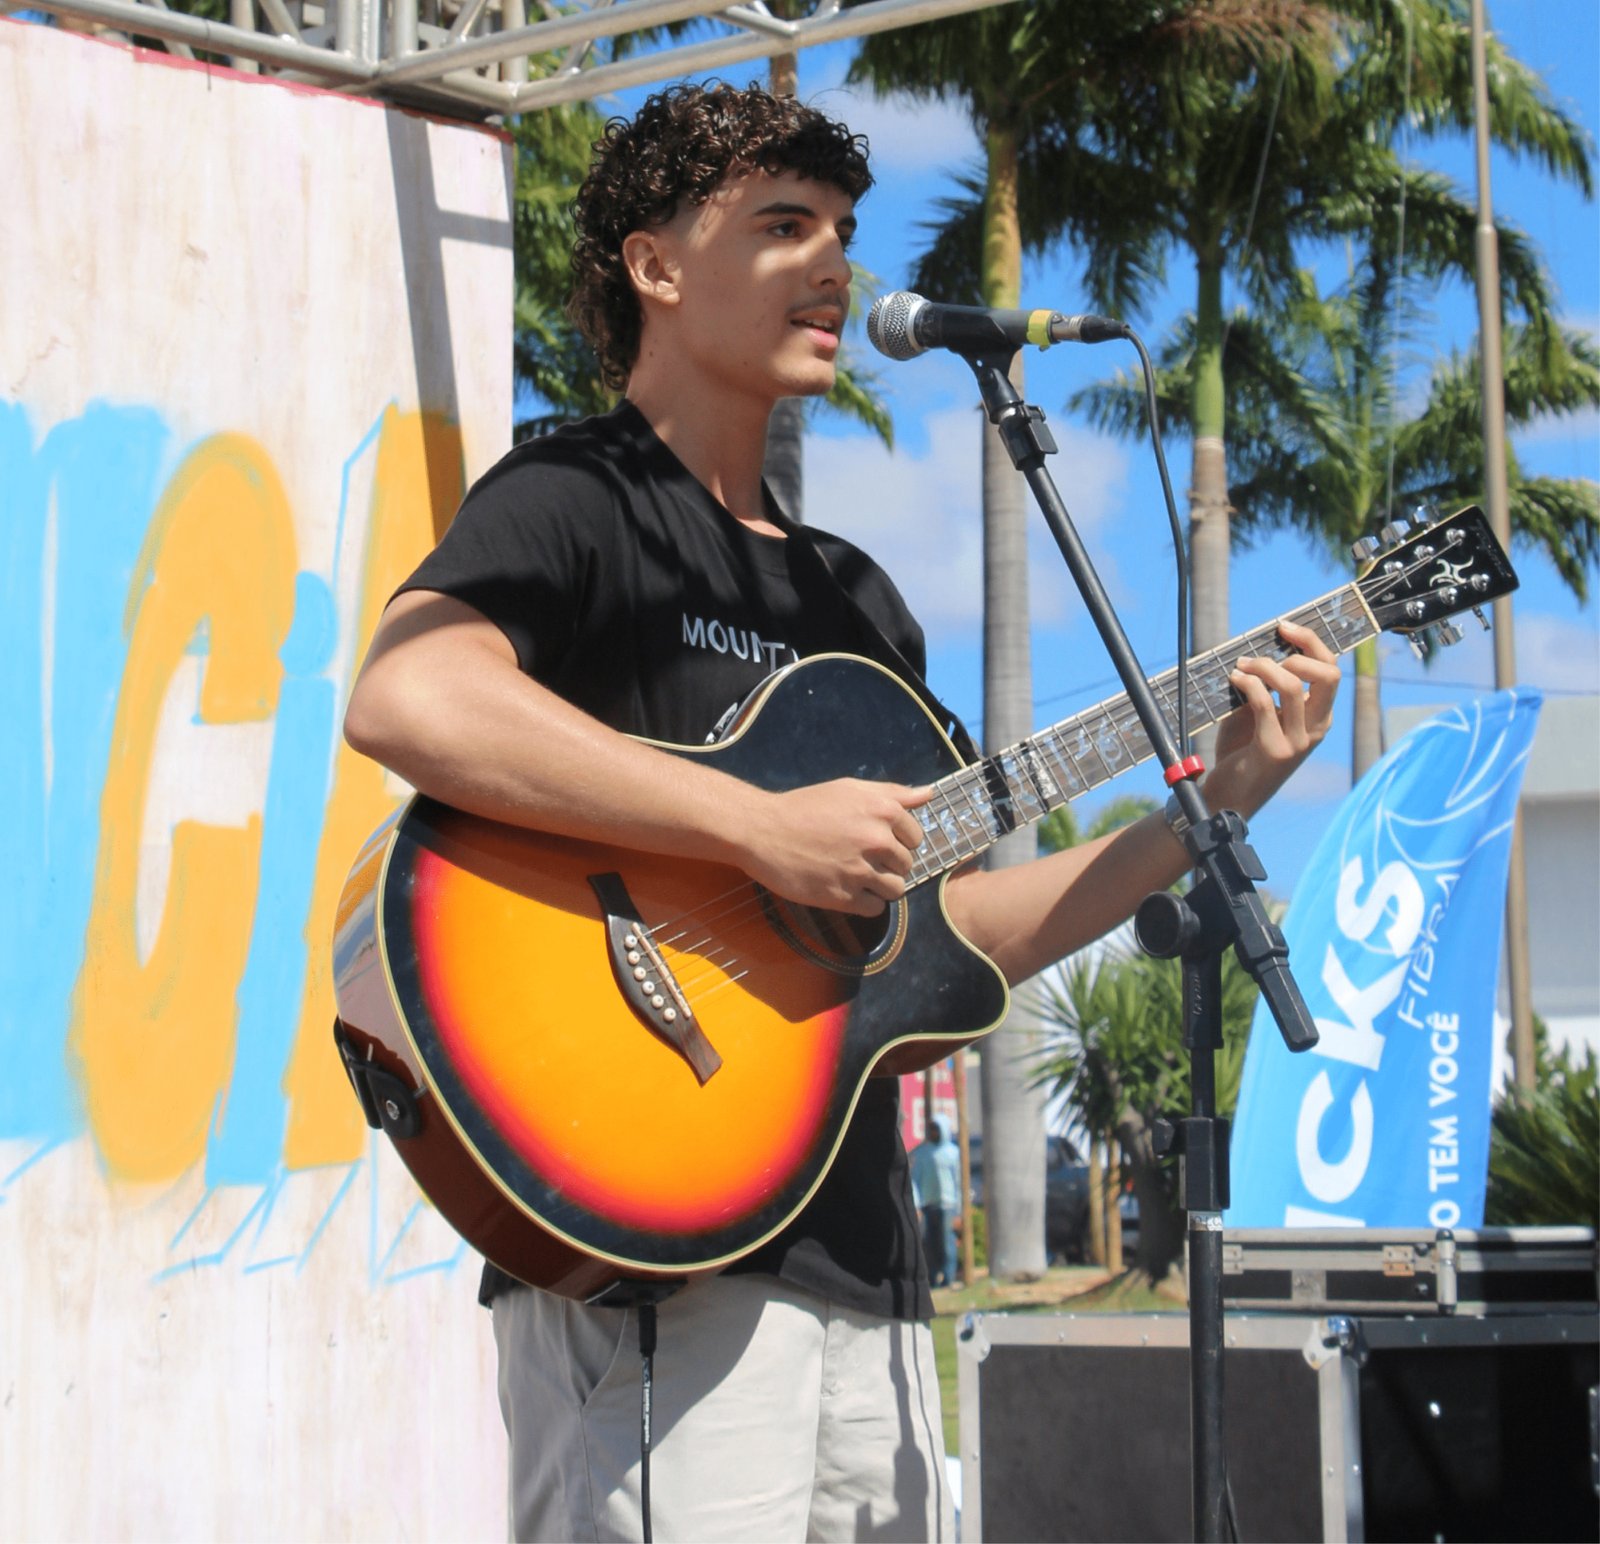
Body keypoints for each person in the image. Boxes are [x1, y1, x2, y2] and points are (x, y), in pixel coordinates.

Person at [342, 81, 1340, 1543]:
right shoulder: (577, 494)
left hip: (862, 1260)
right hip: (656, 1261)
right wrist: (750, 827)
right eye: (784, 226)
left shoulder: (857, 600)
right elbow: (411, 699)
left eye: (845, 234)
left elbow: (939, 936)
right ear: (656, 266)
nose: (836, 268)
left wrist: (1209, 813)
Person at [910, 1118, 962, 1288]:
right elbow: (914, 1180)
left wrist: (959, 1211)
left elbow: (959, 1182)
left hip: (948, 1205)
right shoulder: (921, 1153)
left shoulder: (953, 1153)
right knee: (928, 1245)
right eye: (931, 1129)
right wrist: (916, 1205)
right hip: (927, 1206)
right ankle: (932, 1279)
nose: (934, 1133)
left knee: (947, 1244)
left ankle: (949, 1277)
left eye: (937, 1129)